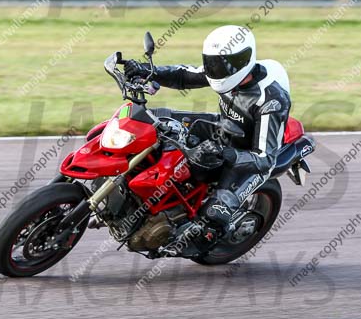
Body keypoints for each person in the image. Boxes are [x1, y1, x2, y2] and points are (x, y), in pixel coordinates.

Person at [123, 25, 291, 254]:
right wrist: (145, 70)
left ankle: (198, 241)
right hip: (223, 129)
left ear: (244, 60)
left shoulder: (270, 100)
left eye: (221, 64)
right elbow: (183, 75)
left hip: (245, 156)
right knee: (158, 118)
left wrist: (224, 154)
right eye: (212, 63)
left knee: (213, 215)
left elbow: (265, 159)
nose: (215, 70)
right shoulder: (222, 69)